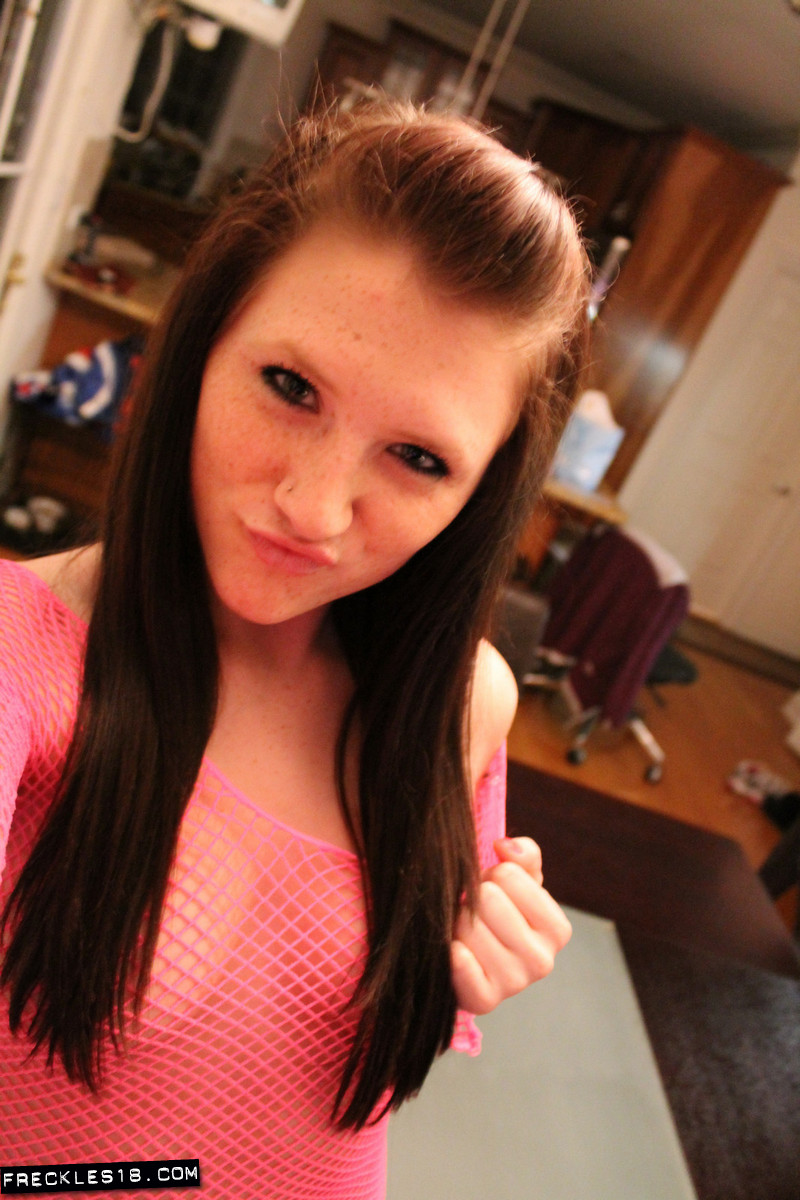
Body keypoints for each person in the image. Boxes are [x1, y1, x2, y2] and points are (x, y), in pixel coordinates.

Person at [0, 100, 589, 1196]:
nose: (312, 508)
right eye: (290, 388)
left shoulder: (463, 700)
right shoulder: (20, 657)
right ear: (201, 343)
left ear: (479, 493)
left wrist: (470, 948)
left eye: (418, 458)